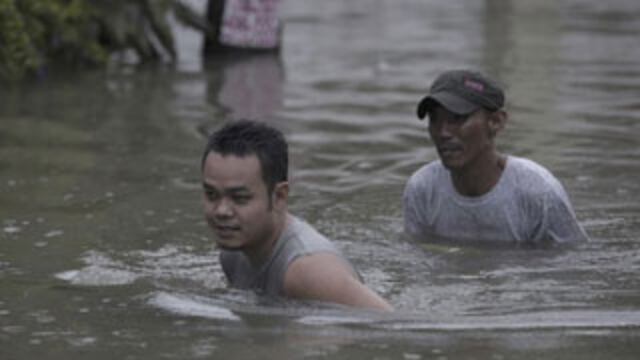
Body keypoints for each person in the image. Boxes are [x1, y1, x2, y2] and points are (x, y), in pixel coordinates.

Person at [201, 120, 393, 311]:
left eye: (240, 198)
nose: (221, 211)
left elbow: (389, 324)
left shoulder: (308, 271)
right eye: (211, 195)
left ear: (279, 196)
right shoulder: (233, 254)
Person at [403, 69, 589, 246]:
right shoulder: (422, 189)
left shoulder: (538, 192)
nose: (443, 132)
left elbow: (572, 259)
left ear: (495, 122)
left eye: (457, 118)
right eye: (434, 119)